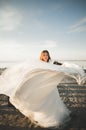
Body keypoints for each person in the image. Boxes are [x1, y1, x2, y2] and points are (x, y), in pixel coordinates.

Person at [0, 50, 85, 128]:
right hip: (41, 85)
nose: (45, 56)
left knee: (52, 101)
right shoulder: (39, 64)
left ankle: (54, 118)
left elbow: (62, 67)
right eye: (44, 55)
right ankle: (43, 117)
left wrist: (70, 67)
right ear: (41, 56)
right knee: (41, 101)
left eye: (47, 55)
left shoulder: (52, 63)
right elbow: (31, 72)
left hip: (51, 87)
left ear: (48, 56)